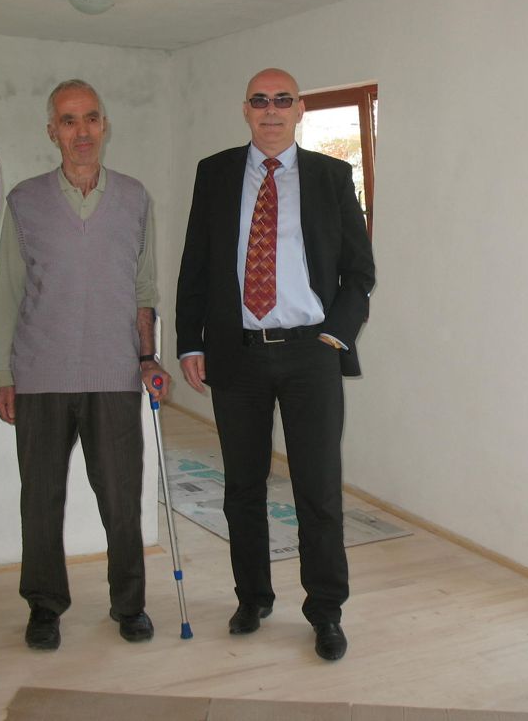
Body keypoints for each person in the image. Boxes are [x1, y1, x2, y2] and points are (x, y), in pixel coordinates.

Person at [175, 68, 375, 661]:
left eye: (282, 100)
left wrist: (336, 336)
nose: (270, 110)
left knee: (318, 490)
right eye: (259, 100)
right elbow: (195, 263)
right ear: (245, 109)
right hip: (237, 354)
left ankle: (326, 612)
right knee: (243, 486)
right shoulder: (215, 174)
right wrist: (190, 342)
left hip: (311, 353)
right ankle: (252, 597)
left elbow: (359, 273)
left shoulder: (331, 177)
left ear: (299, 109)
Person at [0, 79, 168, 651]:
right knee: (40, 500)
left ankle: (129, 604)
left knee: (121, 498)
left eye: (91, 118)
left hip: (114, 375)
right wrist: (3, 373)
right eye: (69, 121)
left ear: (104, 125)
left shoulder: (135, 198)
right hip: (40, 376)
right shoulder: (24, 200)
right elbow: (8, 293)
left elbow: (144, 289)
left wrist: (147, 357)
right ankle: (44, 607)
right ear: (52, 132)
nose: (82, 131)